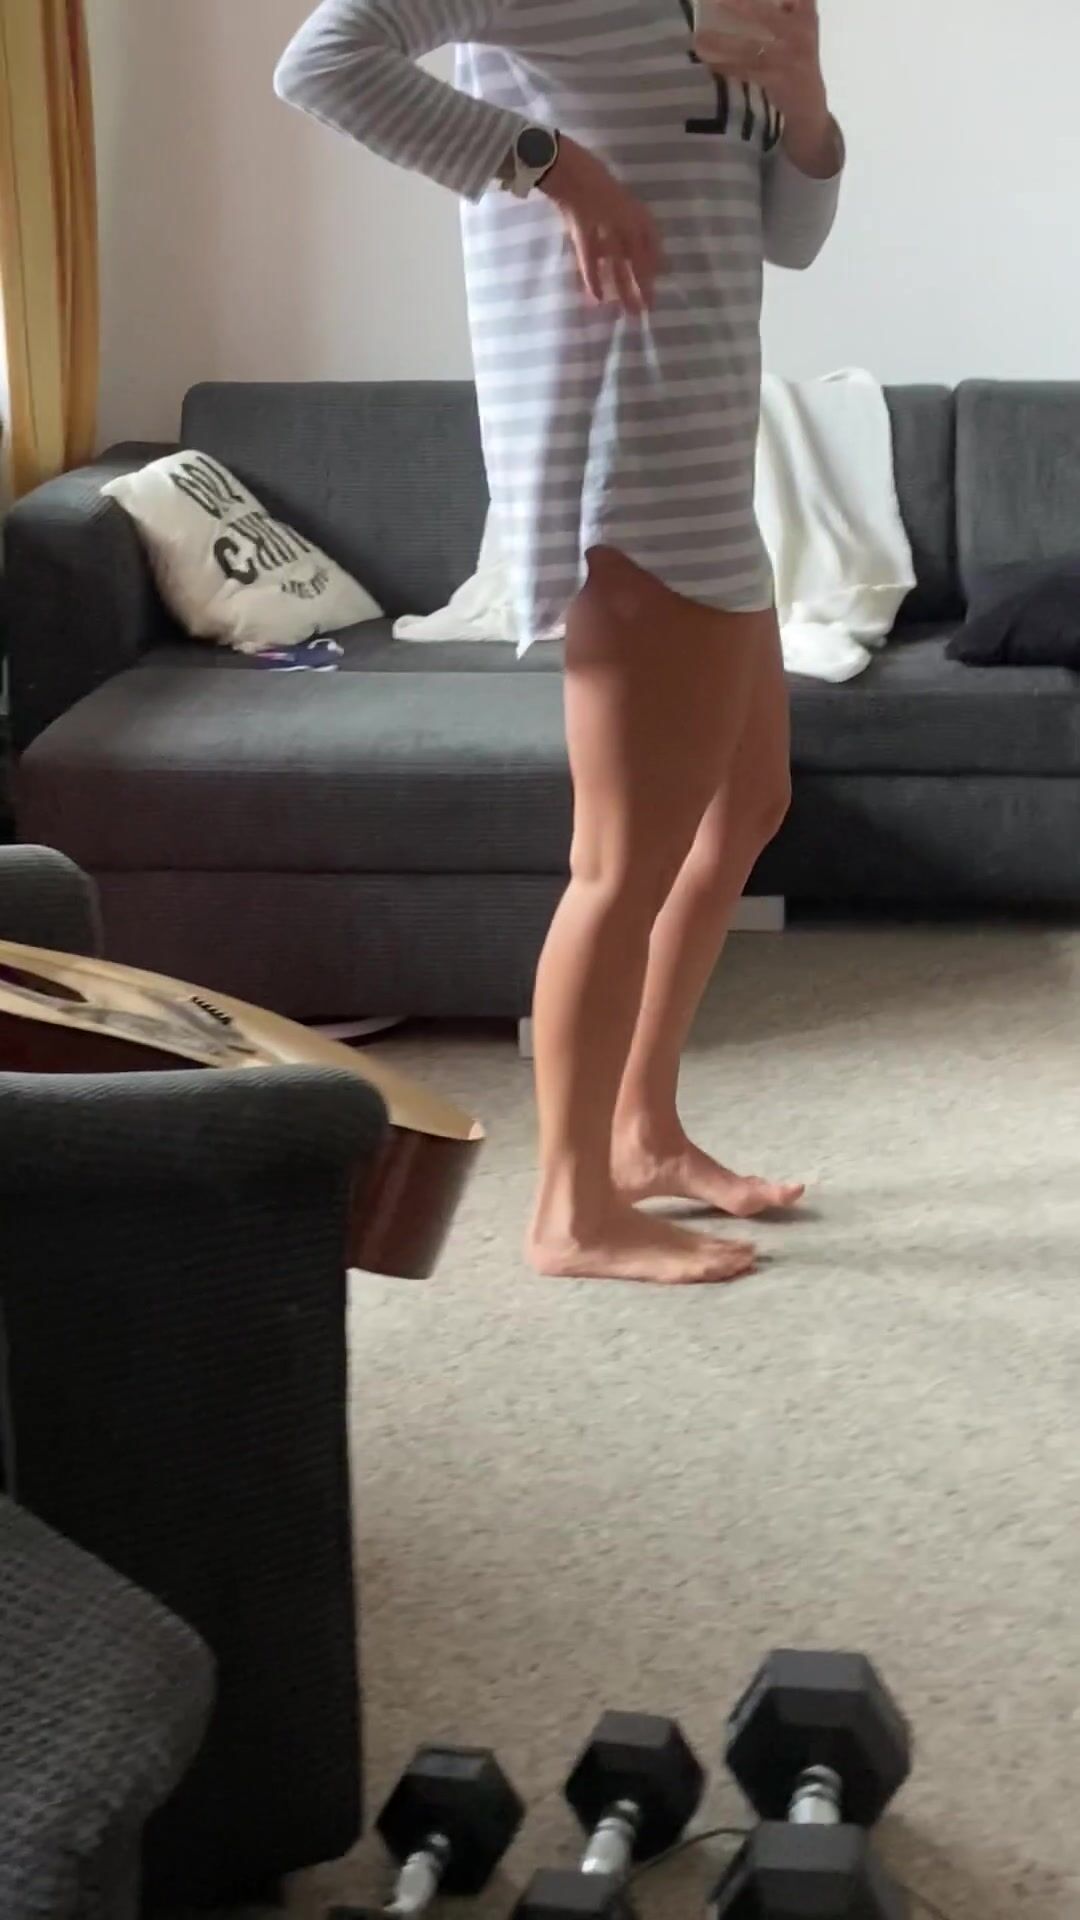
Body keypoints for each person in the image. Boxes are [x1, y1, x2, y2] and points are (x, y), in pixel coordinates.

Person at [275, 0, 844, 1286]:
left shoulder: (734, 8)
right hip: (621, 458)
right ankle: (571, 1210)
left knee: (748, 806)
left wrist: (806, 106)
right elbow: (321, 61)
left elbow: (790, 238)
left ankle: (643, 1133)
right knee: (620, 863)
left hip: (709, 460)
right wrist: (551, 163)